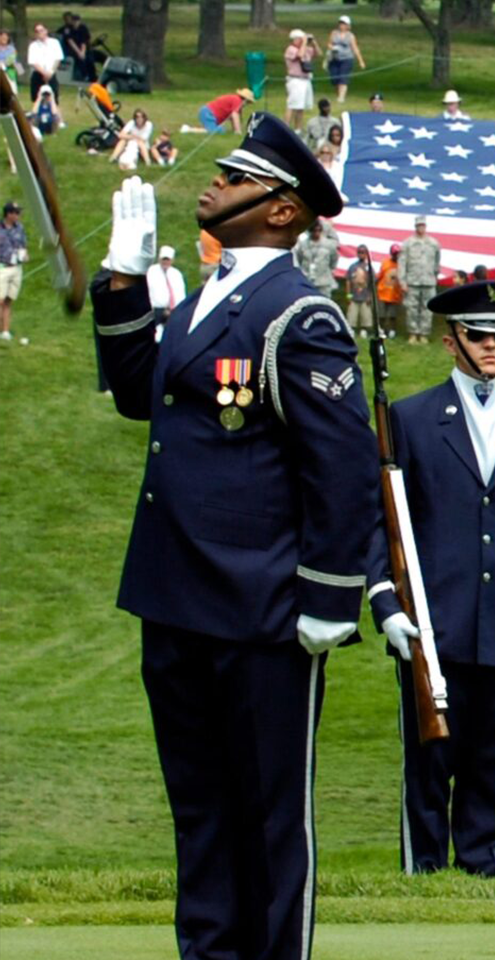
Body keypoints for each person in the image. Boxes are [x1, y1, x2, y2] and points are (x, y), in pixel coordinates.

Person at [90, 116, 374, 960]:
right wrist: (122, 280)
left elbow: (343, 467)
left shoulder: (300, 314)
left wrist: (330, 596)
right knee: (202, 812)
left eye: (234, 178)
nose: (212, 185)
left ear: (282, 211)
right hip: (175, 597)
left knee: (269, 819)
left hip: (259, 610)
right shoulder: (208, 296)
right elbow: (142, 395)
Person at [367, 280, 495, 877]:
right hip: (434, 616)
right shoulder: (411, 418)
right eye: (478, 336)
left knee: (489, 760)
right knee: (428, 761)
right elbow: (383, 520)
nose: (491, 346)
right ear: (451, 342)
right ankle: (422, 871)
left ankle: (482, 871)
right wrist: (385, 602)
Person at [400, 216, 443, 344]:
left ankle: (424, 333)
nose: (421, 228)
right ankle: (413, 333)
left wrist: (434, 276)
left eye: (423, 225)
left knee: (427, 308)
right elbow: (402, 263)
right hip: (412, 281)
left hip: (428, 281)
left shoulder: (434, 243)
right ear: (415, 227)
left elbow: (437, 262)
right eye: (419, 225)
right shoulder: (408, 243)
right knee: (412, 308)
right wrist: (402, 281)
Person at [145, 245, 187, 340]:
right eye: (163, 259)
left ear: (172, 260)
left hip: (173, 311)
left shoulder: (176, 274)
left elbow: (181, 293)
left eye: (168, 259)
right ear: (159, 259)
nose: (165, 262)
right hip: (156, 311)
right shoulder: (151, 272)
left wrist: (176, 310)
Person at [0, 202, 28, 342]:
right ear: (8, 214)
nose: (18, 215)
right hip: (2, 268)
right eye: (16, 213)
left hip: (17, 268)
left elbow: (23, 245)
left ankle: (5, 331)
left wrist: (25, 255)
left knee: (8, 300)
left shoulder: (20, 228)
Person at [325, 15, 365, 104]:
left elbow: (355, 48)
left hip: (347, 58)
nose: (341, 26)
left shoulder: (350, 36)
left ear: (348, 25)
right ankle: (338, 94)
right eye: (340, 23)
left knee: (343, 77)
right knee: (334, 78)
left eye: (344, 24)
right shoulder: (334, 33)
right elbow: (329, 44)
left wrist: (360, 61)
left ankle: (341, 97)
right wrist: (332, 48)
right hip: (334, 58)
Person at [300, 219, 342, 301]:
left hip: (324, 282)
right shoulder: (303, 245)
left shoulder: (328, 245)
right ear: (310, 232)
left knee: (324, 304)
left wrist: (329, 270)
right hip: (307, 281)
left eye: (319, 230)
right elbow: (299, 260)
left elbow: (334, 259)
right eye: (314, 231)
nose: (317, 233)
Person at [284, 29, 316, 130]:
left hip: (305, 80)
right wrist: (305, 42)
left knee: (300, 107)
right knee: (292, 105)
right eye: (300, 39)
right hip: (295, 80)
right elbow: (300, 55)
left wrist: (313, 42)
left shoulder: (305, 48)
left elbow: (318, 53)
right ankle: (285, 127)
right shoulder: (290, 49)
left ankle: (298, 129)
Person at [26, 23, 64, 104]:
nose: (39, 33)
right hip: (38, 75)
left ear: (46, 31)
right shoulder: (33, 46)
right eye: (37, 31)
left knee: (54, 100)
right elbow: (33, 62)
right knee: (37, 100)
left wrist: (50, 73)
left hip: (51, 74)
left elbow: (58, 59)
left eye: (41, 30)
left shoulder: (54, 43)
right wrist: (44, 73)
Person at [377, 244, 405, 337]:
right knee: (381, 314)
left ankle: (392, 330)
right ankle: (381, 330)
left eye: (398, 254)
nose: (396, 256)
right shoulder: (385, 263)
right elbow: (379, 276)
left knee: (392, 314)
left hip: (394, 294)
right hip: (383, 292)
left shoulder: (401, 265)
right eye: (394, 254)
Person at [347, 244, 375, 335]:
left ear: (366, 254)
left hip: (365, 295)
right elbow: (348, 281)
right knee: (352, 315)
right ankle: (352, 330)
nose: (361, 254)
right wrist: (348, 295)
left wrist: (370, 296)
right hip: (354, 295)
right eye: (359, 252)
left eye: (363, 252)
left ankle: (364, 330)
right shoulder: (352, 267)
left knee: (366, 316)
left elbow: (372, 283)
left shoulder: (369, 267)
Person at [61, 11, 95, 81]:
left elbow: (84, 41)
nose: (76, 23)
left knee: (90, 57)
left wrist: (82, 52)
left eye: (77, 21)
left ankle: (93, 76)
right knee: (79, 58)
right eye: (74, 21)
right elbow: (70, 41)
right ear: (72, 21)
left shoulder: (83, 28)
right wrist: (79, 52)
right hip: (71, 49)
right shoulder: (67, 29)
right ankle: (84, 76)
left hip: (83, 48)